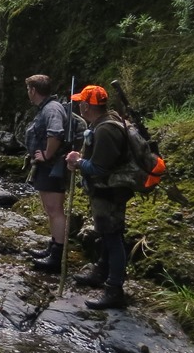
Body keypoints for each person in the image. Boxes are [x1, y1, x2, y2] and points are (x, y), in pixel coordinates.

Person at [64, 85, 134, 309]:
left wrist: (78, 163)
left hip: (109, 192)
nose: (78, 107)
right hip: (106, 191)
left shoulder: (106, 129)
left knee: (113, 237)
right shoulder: (105, 121)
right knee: (106, 235)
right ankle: (101, 272)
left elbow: (100, 168)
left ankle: (114, 289)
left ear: (86, 106)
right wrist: (82, 159)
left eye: (80, 103)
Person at [23, 75, 70, 273]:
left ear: (33, 90)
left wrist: (47, 155)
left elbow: (56, 132)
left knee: (55, 210)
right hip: (48, 167)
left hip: (53, 167)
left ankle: (58, 257)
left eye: (28, 89)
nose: (28, 93)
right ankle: (53, 247)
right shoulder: (48, 107)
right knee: (51, 210)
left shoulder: (51, 109)